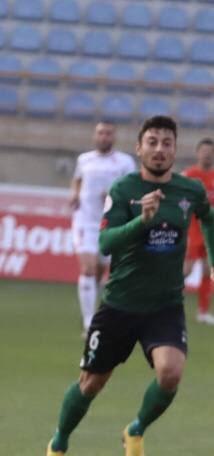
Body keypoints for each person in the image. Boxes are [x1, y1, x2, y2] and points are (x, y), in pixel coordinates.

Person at [42, 116, 214, 456]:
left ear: (175, 149)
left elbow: (209, 218)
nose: (160, 149)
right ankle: (59, 442)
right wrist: (142, 220)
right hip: (119, 304)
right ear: (139, 148)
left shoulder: (189, 190)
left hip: (164, 305)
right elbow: (105, 244)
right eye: (152, 141)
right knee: (91, 384)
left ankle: (135, 430)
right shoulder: (123, 190)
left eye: (167, 142)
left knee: (171, 373)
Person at [68, 122, 136, 334]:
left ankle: (92, 313)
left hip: (110, 223)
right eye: (100, 133)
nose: (104, 137)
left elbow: (132, 189)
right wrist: (75, 195)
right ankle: (89, 322)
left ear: (114, 137)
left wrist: (113, 197)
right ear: (95, 136)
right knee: (87, 269)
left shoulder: (124, 162)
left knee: (99, 272)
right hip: (84, 221)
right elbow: (77, 180)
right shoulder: (84, 159)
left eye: (108, 133)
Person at [183, 139, 214, 326]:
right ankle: (166, 306)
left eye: (210, 151)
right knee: (185, 271)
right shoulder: (188, 175)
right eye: (204, 151)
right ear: (197, 153)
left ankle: (203, 312)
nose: (207, 154)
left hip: (210, 231)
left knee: (207, 270)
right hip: (192, 230)